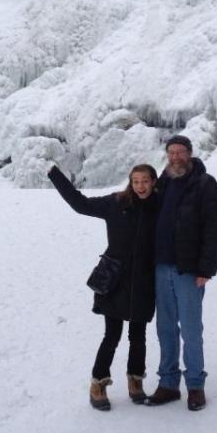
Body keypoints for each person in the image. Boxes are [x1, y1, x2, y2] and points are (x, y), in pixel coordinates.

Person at [48, 163, 159, 411]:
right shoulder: (116, 203)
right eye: (136, 181)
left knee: (138, 336)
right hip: (115, 280)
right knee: (112, 335)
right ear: (130, 182)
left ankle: (135, 382)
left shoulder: (159, 207)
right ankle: (98, 384)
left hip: (144, 280)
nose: (140, 186)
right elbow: (80, 204)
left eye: (145, 181)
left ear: (153, 182)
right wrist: (55, 173)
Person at [147, 134, 217, 411]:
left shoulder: (205, 184)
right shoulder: (163, 182)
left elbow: (215, 228)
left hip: (189, 271)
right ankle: (168, 383)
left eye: (180, 152)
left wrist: (207, 268)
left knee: (191, 330)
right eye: (171, 153)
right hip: (162, 267)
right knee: (165, 328)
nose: (175, 157)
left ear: (190, 154)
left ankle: (195, 385)